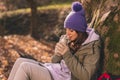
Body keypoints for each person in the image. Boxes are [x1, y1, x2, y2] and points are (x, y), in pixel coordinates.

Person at [8, 1, 101, 80]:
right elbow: (54, 61)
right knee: (20, 61)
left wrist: (66, 54)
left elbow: (86, 76)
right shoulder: (68, 39)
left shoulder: (91, 47)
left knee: (25, 67)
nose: (67, 33)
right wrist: (57, 54)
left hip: (64, 78)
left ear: (80, 32)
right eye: (66, 29)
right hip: (55, 71)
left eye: (71, 30)